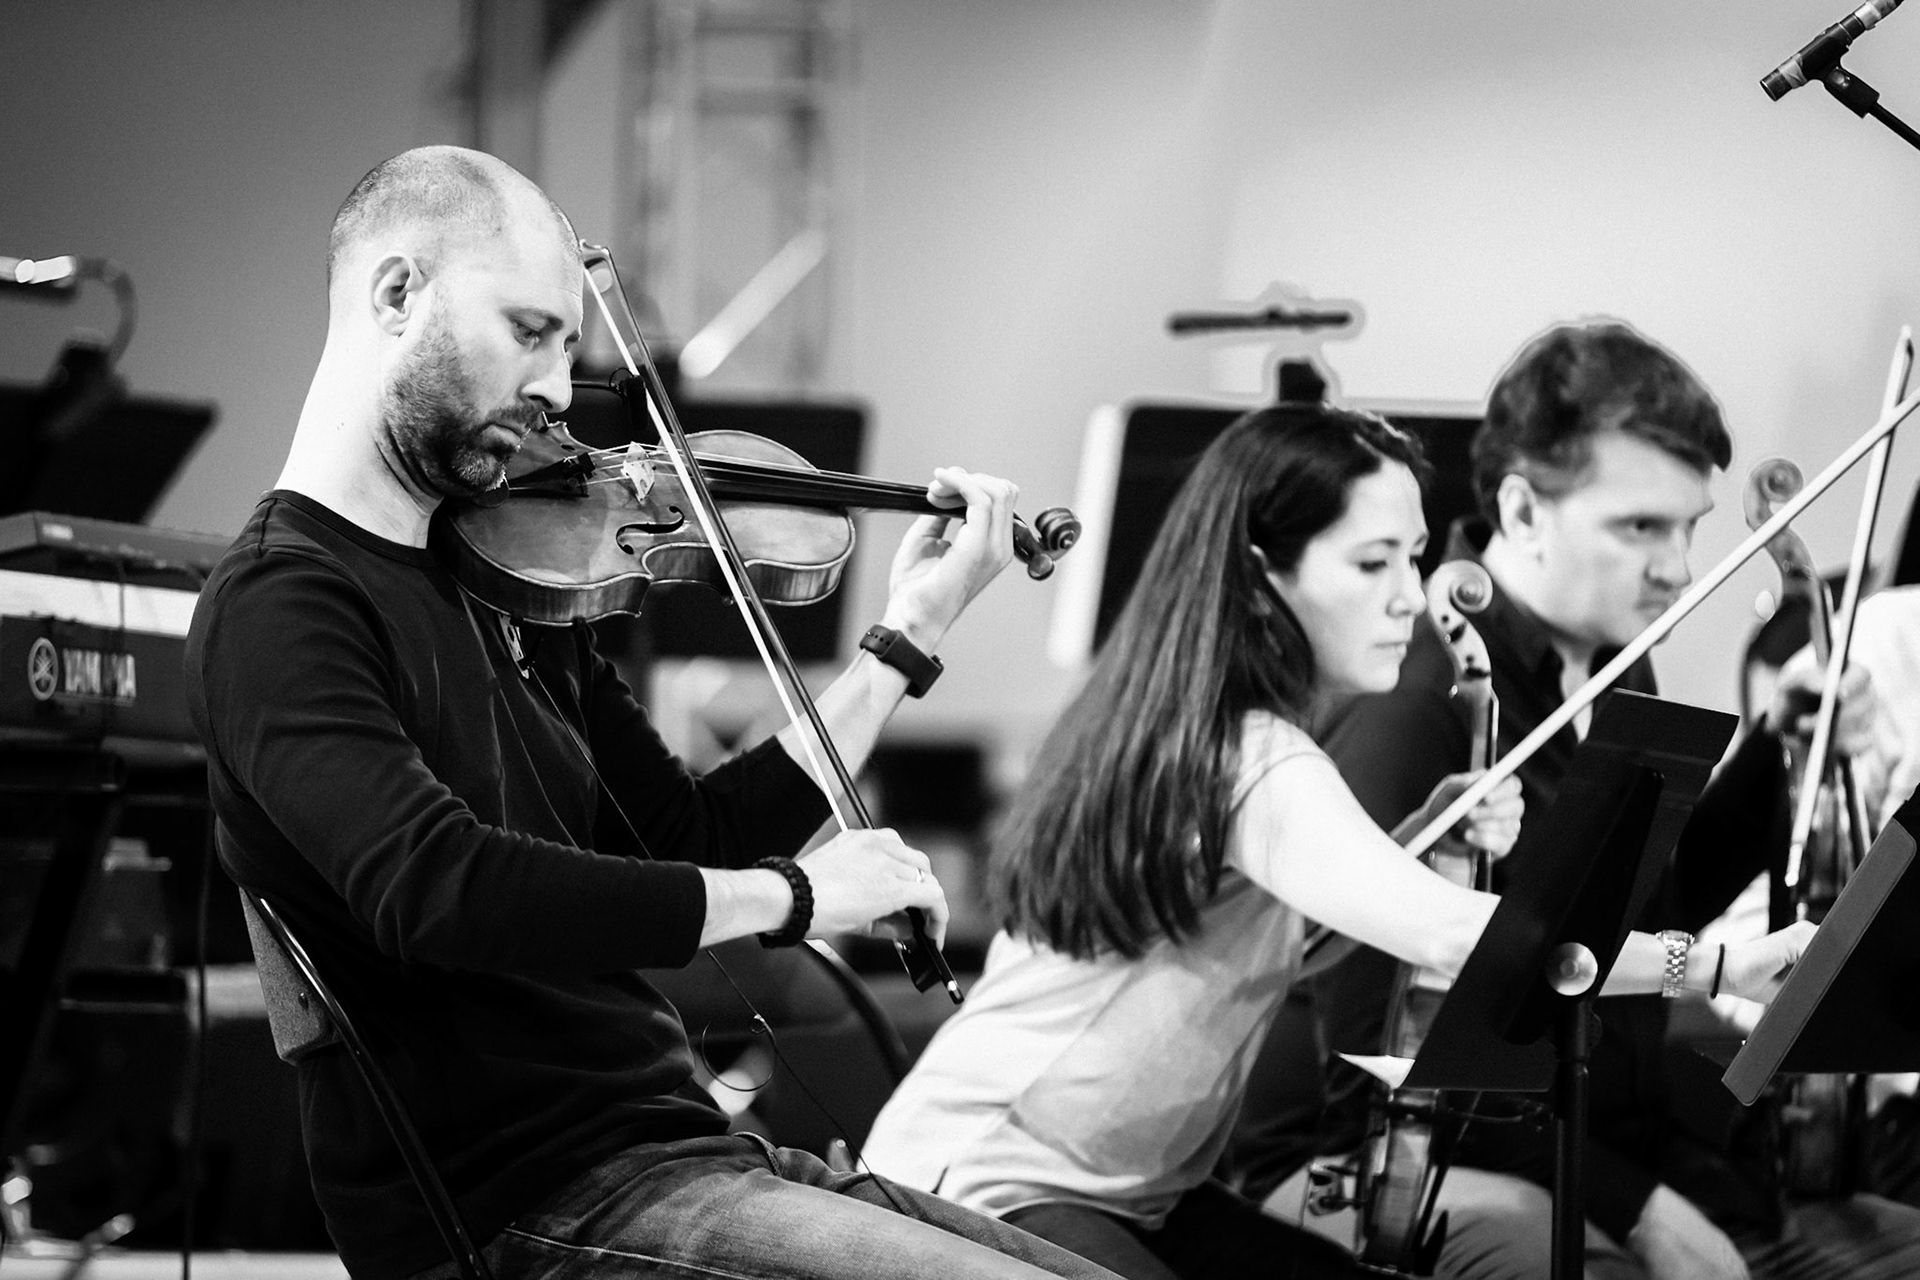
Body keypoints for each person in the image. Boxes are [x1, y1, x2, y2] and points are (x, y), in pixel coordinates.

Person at [183, 145, 1122, 1280]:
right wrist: (802, 895)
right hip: (524, 1204)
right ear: (395, 294)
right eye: (529, 331)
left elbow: (690, 842)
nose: (554, 388)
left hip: (683, 1154)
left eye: (569, 348)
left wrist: (903, 639)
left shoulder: (506, 580)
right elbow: (442, 889)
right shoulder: (285, 603)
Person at [857, 400, 1811, 1280]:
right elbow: (1464, 941)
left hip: (1130, 1192)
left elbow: (1253, 936)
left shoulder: (1200, 719)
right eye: (1373, 563)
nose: (1412, 594)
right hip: (985, 1186)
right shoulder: (1253, 753)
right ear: (1264, 574)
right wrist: (1722, 964)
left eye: (1415, 556)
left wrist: (1401, 842)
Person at [1230, 319, 1920, 1280]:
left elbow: (1656, 909)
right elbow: (1383, 1064)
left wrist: (1778, 752)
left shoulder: (1621, 676)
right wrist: (1640, 1210)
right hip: (1400, 1176)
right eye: (1640, 527)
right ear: (1521, 511)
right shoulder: (1416, 703)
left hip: (1602, 1152)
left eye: (1689, 527)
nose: (1677, 568)